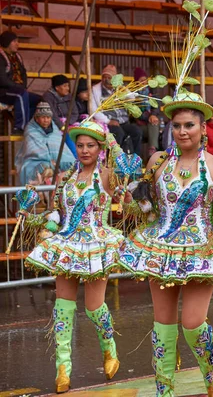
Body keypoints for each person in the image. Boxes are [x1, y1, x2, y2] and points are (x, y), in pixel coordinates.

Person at [118, 7, 213, 395]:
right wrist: (130, 200)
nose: (182, 131)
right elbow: (145, 207)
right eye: (176, 125)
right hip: (160, 246)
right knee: (163, 325)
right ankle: (164, 388)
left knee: (193, 322)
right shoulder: (157, 161)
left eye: (189, 124)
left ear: (202, 127)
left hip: (201, 246)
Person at [23, 120, 125, 393]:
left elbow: (129, 172)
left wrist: (111, 140)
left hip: (96, 246)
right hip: (68, 246)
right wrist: (38, 221)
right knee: (63, 309)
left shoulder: (107, 175)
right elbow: (59, 216)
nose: (84, 150)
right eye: (79, 145)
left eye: (90, 145)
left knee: (94, 308)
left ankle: (109, 349)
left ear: (99, 148)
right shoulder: (66, 178)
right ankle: (63, 369)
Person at [15, 101, 76, 185]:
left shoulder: (54, 130)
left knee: (73, 165)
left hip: (56, 162)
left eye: (48, 117)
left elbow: (60, 149)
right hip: (35, 162)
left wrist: (57, 162)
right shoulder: (30, 130)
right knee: (41, 168)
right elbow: (33, 151)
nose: (46, 120)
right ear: (36, 118)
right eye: (43, 117)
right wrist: (50, 162)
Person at [91, 64, 143, 155]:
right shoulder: (95, 90)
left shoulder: (119, 87)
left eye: (109, 77)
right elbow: (94, 111)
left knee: (136, 132)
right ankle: (115, 161)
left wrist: (124, 91)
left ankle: (135, 160)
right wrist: (108, 121)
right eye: (104, 77)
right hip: (108, 123)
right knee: (118, 133)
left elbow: (132, 98)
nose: (106, 80)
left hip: (123, 121)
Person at [0, 31, 42, 133]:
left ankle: (33, 125)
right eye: (14, 41)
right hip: (3, 91)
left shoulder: (17, 57)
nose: (17, 44)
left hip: (17, 90)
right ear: (6, 43)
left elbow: (23, 73)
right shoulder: (1, 57)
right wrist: (18, 87)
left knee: (40, 100)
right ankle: (20, 127)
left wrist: (23, 86)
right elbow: (2, 79)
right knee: (21, 95)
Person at [132, 67, 161, 156]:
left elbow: (156, 106)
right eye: (141, 80)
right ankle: (150, 153)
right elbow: (135, 113)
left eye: (145, 80)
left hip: (150, 124)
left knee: (154, 123)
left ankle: (152, 151)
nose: (144, 82)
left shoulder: (151, 92)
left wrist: (153, 115)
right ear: (137, 82)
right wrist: (150, 117)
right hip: (137, 125)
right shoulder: (133, 95)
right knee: (153, 124)